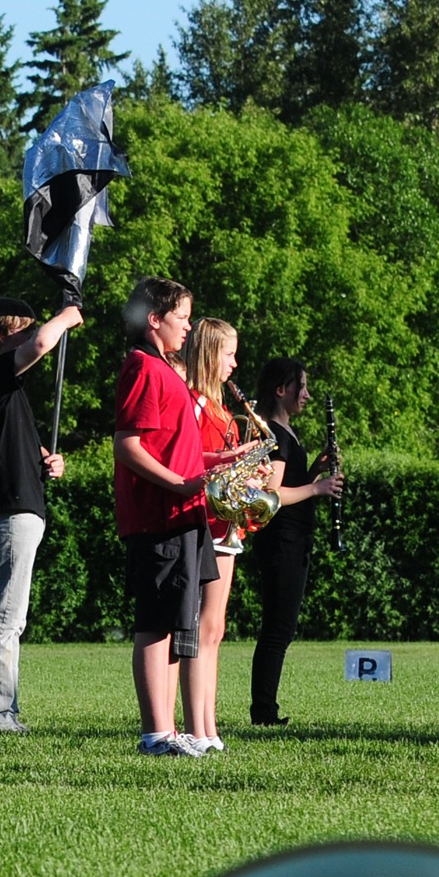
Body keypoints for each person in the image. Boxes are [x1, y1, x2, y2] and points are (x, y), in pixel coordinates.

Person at [109, 279, 214, 758]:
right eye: (182, 318)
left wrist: (220, 459)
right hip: (160, 516)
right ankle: (155, 734)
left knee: (176, 622)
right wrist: (178, 485)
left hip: (183, 515)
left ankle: (169, 732)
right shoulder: (144, 367)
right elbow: (128, 444)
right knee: (155, 623)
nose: (189, 327)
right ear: (155, 319)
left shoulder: (166, 370)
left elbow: (173, 448)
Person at [0, 294, 77, 734]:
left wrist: (48, 460)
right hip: (8, 511)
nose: (33, 335)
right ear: (0, 334)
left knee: (12, 617)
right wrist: (65, 316)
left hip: (19, 508)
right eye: (22, 329)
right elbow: (42, 346)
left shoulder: (9, 392)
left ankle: (2, 709)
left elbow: (16, 445)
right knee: (4, 617)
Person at [244, 356, 344, 726]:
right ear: (281, 390)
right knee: (278, 628)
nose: (307, 394)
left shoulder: (284, 433)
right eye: (301, 386)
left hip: (291, 538)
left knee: (280, 626)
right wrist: (318, 488)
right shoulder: (273, 434)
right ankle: (264, 712)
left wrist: (313, 469)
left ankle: (265, 709)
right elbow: (272, 494)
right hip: (282, 539)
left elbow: (287, 479)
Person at [176, 318, 260, 754]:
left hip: (223, 520)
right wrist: (231, 457)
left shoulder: (219, 405)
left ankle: (207, 725)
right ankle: (197, 727)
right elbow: (188, 458)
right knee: (201, 627)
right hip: (203, 520)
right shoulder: (193, 402)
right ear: (210, 353)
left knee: (215, 628)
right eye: (228, 354)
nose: (235, 363)